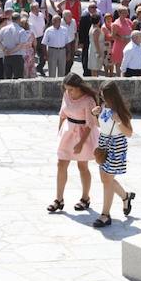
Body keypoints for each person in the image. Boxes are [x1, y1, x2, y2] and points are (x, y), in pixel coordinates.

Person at [46, 73, 100, 214]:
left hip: (83, 134)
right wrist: (59, 132)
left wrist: (81, 143)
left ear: (79, 87)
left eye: (71, 89)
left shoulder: (88, 100)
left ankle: (85, 198)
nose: (68, 92)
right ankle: (59, 199)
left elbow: (91, 124)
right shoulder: (66, 94)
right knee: (61, 163)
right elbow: (62, 114)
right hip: (68, 131)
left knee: (82, 166)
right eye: (66, 89)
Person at [90, 81, 136, 228]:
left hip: (117, 145)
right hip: (104, 143)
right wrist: (94, 115)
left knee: (107, 179)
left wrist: (118, 122)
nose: (102, 98)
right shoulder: (103, 107)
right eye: (101, 95)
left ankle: (105, 214)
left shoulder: (120, 110)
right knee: (105, 179)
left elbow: (129, 133)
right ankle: (126, 197)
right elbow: (100, 126)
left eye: (104, 95)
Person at [0, 12, 25, 79]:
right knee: (18, 79)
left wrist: (5, 50)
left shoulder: (4, 29)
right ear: (19, 19)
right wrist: (11, 51)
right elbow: (21, 45)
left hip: (7, 56)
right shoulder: (21, 30)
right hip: (17, 56)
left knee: (7, 78)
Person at [110, 6, 132, 77]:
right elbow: (113, 36)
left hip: (128, 44)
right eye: (124, 12)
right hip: (119, 45)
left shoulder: (128, 21)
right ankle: (119, 78)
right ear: (119, 13)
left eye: (126, 12)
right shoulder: (116, 23)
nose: (126, 14)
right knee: (119, 63)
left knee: (127, 61)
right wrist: (122, 39)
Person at [78, 2, 98, 76]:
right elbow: (81, 30)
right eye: (92, 7)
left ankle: (92, 71)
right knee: (86, 56)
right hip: (86, 40)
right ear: (89, 8)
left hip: (94, 40)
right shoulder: (84, 17)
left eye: (95, 7)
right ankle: (86, 72)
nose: (94, 9)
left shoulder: (97, 16)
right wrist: (81, 42)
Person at [28, 2, 46, 75]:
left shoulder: (41, 15)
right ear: (32, 9)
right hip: (33, 39)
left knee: (43, 55)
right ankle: (31, 71)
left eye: (38, 7)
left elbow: (43, 25)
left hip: (41, 37)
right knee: (32, 56)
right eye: (36, 8)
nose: (38, 9)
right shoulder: (29, 17)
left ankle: (39, 67)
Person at [62, 9, 78, 74]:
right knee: (65, 59)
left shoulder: (73, 21)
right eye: (69, 16)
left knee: (71, 59)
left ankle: (68, 71)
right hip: (64, 43)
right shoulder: (60, 22)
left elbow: (75, 32)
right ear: (64, 17)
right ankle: (64, 72)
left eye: (71, 15)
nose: (71, 17)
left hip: (72, 42)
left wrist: (76, 43)